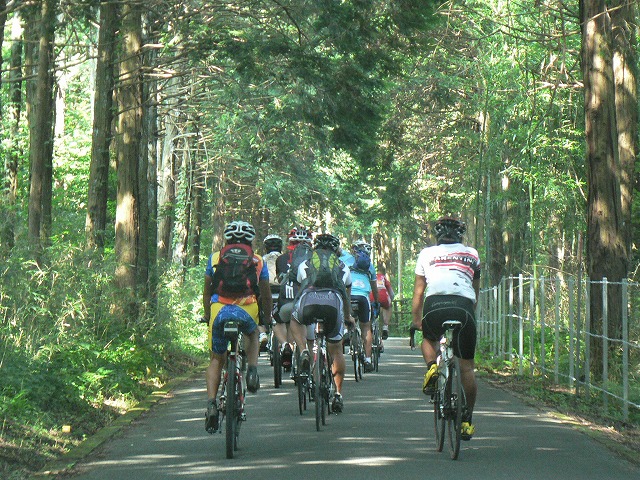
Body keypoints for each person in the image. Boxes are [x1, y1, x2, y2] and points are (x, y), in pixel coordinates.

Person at [411, 217, 480, 441]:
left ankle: (432, 367)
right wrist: (470, 311)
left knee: (429, 339)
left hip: (435, 305)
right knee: (467, 367)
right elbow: (475, 289)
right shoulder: (472, 254)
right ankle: (467, 419)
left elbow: (419, 293)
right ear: (460, 235)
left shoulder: (426, 254)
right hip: (464, 307)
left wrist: (416, 321)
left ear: (437, 236)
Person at [203, 220, 272, 433]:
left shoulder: (215, 258)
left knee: (216, 358)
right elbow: (266, 294)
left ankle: (212, 404)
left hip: (219, 310)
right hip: (247, 309)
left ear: (227, 239)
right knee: (252, 332)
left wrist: (207, 315)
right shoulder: (258, 260)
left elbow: (207, 291)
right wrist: (265, 320)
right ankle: (252, 370)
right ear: (251, 240)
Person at [290, 233, 352, 412]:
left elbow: (299, 286)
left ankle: (303, 351)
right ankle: (338, 394)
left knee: (294, 320)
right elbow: (346, 298)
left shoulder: (305, 264)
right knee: (336, 350)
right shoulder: (343, 267)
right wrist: (348, 318)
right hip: (333, 304)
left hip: (309, 302)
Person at [273, 226, 314, 367]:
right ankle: (313, 362)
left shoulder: (281, 259)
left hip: (286, 303)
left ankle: (285, 345)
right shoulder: (314, 258)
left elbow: (279, 280)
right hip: (308, 303)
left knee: (277, 319)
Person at [341, 240, 379, 373]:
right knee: (366, 327)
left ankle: (345, 331)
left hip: (348, 295)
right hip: (363, 297)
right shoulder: (370, 266)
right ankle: (368, 360)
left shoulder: (344, 259)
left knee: (345, 316)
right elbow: (374, 288)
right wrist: (377, 302)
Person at [259, 234, 283, 350]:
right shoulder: (284, 258)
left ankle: (262, 332)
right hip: (282, 291)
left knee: (258, 311)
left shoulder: (262, 259)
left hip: (266, 289)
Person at [370, 263, 394, 340]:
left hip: (372, 295)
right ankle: (385, 327)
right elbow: (391, 293)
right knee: (388, 307)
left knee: (369, 308)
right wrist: (390, 301)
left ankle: (370, 325)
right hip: (383, 296)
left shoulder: (371, 277)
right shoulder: (384, 278)